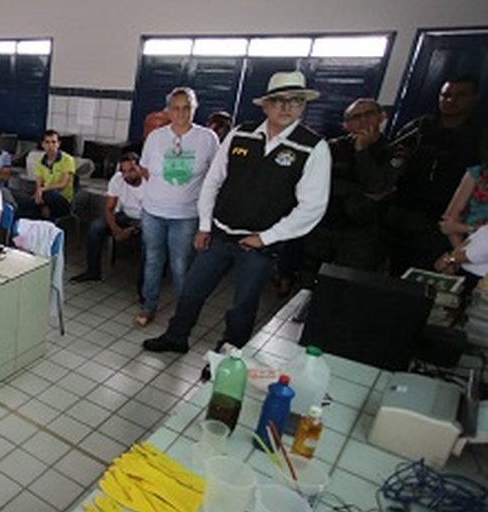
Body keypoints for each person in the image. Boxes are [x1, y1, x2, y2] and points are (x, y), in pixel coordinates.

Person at [144, 71, 331, 353]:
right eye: (278, 101)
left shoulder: (312, 147)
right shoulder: (241, 134)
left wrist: (268, 237)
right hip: (219, 234)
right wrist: (205, 225)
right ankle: (176, 337)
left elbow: (313, 206)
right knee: (192, 291)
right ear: (265, 105)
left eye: (294, 101)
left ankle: (229, 355)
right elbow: (213, 181)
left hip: (258, 244)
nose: (285, 107)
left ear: (303, 105)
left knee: (243, 304)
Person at [135, 87, 219, 327]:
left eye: (187, 108)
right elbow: (145, 170)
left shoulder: (207, 138)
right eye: (176, 108)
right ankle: (149, 306)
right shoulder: (156, 137)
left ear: (195, 109)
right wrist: (165, 192)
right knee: (152, 260)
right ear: (168, 110)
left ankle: (184, 314)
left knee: (180, 265)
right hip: (153, 212)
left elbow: (215, 177)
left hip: (186, 215)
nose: (181, 113)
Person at [384, 77, 483, 274]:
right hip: (405, 214)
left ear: (474, 98)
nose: (450, 101)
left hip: (444, 222)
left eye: (460, 95)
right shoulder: (419, 127)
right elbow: (390, 158)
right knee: (393, 273)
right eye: (446, 95)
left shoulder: (478, 136)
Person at [299, 98, 395, 284]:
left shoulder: (392, 151)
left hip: (360, 233)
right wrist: (357, 190)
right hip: (324, 225)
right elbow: (313, 184)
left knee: (346, 285)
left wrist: (361, 151)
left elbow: (378, 188)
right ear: (346, 124)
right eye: (356, 117)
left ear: (382, 116)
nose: (363, 121)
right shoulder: (332, 148)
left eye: (369, 114)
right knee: (309, 280)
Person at [71, 151, 145, 283]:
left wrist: (133, 229)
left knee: (150, 242)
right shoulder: (118, 179)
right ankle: (93, 272)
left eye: (132, 170)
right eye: (124, 171)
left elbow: (154, 215)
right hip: (124, 216)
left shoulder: (149, 182)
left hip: (145, 220)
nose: (127, 175)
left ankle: (144, 286)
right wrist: (116, 230)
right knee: (95, 228)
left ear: (141, 168)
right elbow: (109, 209)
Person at [18, 130, 76, 220]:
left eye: (54, 142)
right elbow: (38, 185)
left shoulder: (68, 160)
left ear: (59, 144)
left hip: (62, 200)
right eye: (47, 142)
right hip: (45, 197)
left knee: (50, 194)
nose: (51, 146)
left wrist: (42, 190)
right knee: (24, 206)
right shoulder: (39, 162)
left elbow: (62, 184)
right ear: (43, 144)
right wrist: (42, 203)